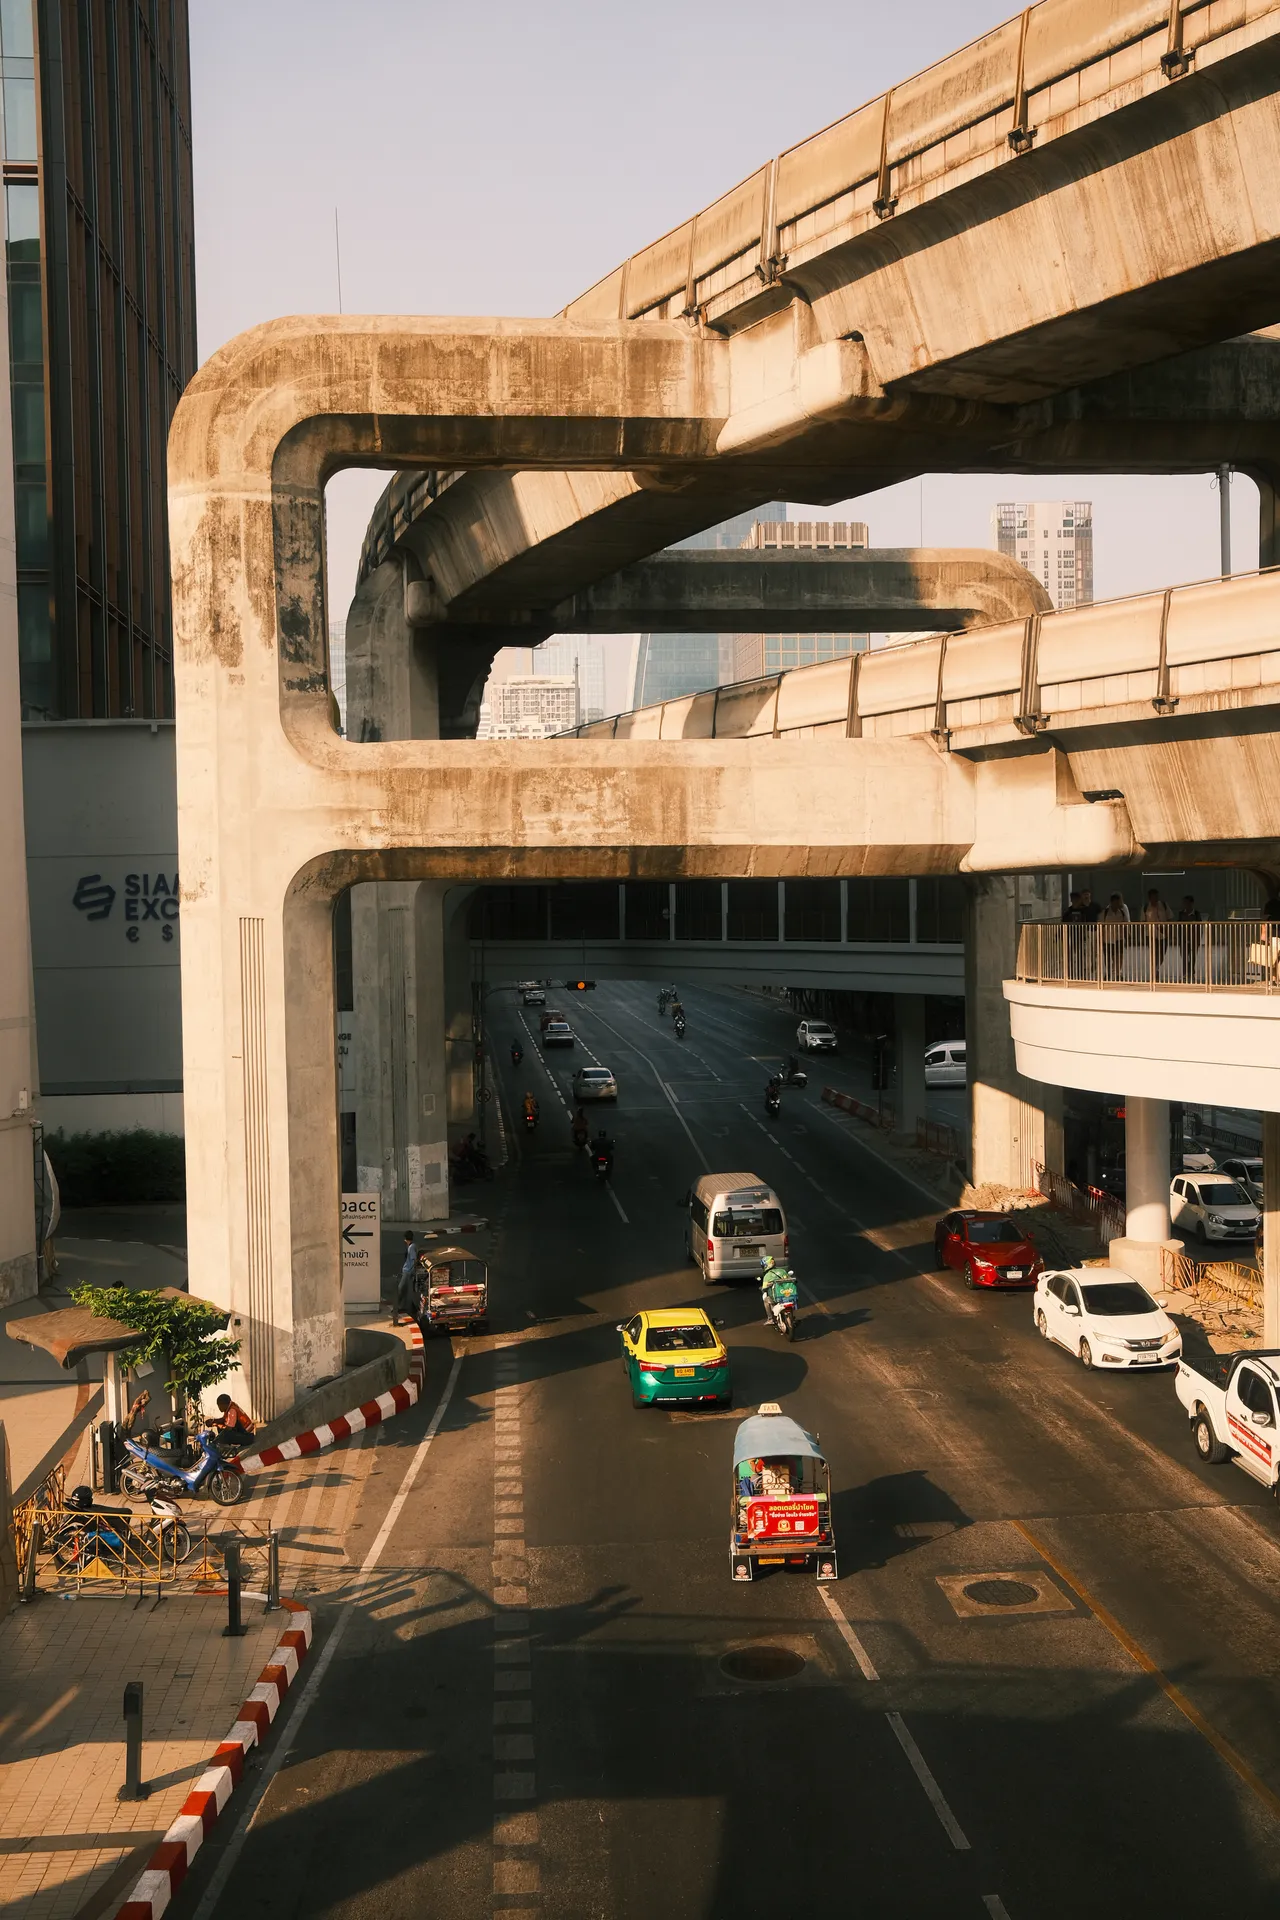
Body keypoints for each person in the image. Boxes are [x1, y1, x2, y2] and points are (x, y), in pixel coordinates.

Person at [392, 1230, 418, 1325]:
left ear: (406, 1239)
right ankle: (402, 1306)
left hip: (407, 1272)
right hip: (407, 1271)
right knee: (406, 1289)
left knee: (400, 1288)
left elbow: (414, 1259)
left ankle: (397, 1308)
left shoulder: (411, 1247)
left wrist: (410, 1270)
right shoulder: (413, 1246)